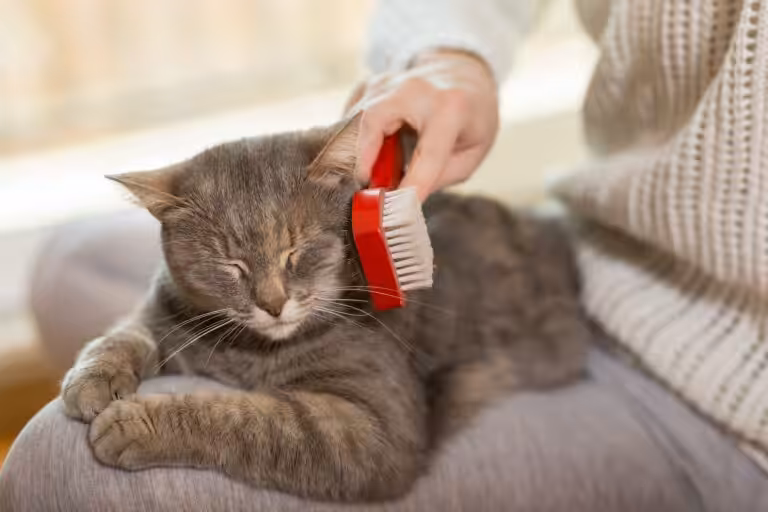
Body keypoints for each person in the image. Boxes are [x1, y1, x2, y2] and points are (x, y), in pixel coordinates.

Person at [2, 0, 768, 510]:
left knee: (65, 465)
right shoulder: (282, 252)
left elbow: (374, 449)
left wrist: (191, 426)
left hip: (719, 402)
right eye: (243, 273)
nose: (276, 299)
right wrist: (448, 54)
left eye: (300, 261)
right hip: (599, 245)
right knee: (69, 266)